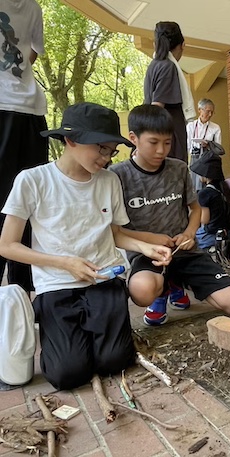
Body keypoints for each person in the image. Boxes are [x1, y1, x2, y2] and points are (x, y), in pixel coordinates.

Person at [0, 102, 173, 390]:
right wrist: (66, 263)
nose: (106, 158)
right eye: (101, 148)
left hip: (105, 279)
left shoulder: (109, 181)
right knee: (66, 374)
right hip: (56, 284)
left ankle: (100, 336)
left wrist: (145, 248)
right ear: (71, 140)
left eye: (111, 151)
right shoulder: (33, 180)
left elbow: (115, 233)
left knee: (115, 361)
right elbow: (7, 246)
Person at [110, 105, 230, 326]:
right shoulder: (117, 176)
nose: (161, 150)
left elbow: (195, 209)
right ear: (133, 138)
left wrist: (189, 233)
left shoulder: (179, 168)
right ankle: (163, 286)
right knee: (142, 292)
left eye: (167, 143)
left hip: (185, 250)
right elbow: (115, 230)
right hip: (147, 255)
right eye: (153, 143)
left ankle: (175, 281)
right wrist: (153, 240)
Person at [0, 0, 49, 292]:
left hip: (30, 109)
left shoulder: (32, 7)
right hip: (5, 107)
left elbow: (33, 51)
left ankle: (23, 289)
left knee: (30, 199)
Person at [143, 21, 195, 163]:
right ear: (182, 45)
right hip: (169, 141)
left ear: (155, 44)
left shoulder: (153, 66)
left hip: (162, 141)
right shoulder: (168, 67)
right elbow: (156, 108)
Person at [189, 149, 230, 254]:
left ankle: (212, 246)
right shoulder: (225, 189)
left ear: (205, 174)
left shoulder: (204, 193)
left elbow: (204, 220)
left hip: (211, 233)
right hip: (226, 232)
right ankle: (225, 243)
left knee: (189, 238)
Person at [187, 98, 222, 191]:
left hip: (207, 159)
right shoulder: (191, 126)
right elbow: (188, 145)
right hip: (194, 157)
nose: (210, 114)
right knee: (193, 186)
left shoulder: (215, 128)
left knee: (206, 187)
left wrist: (209, 145)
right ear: (199, 110)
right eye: (207, 111)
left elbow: (218, 147)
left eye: (212, 112)